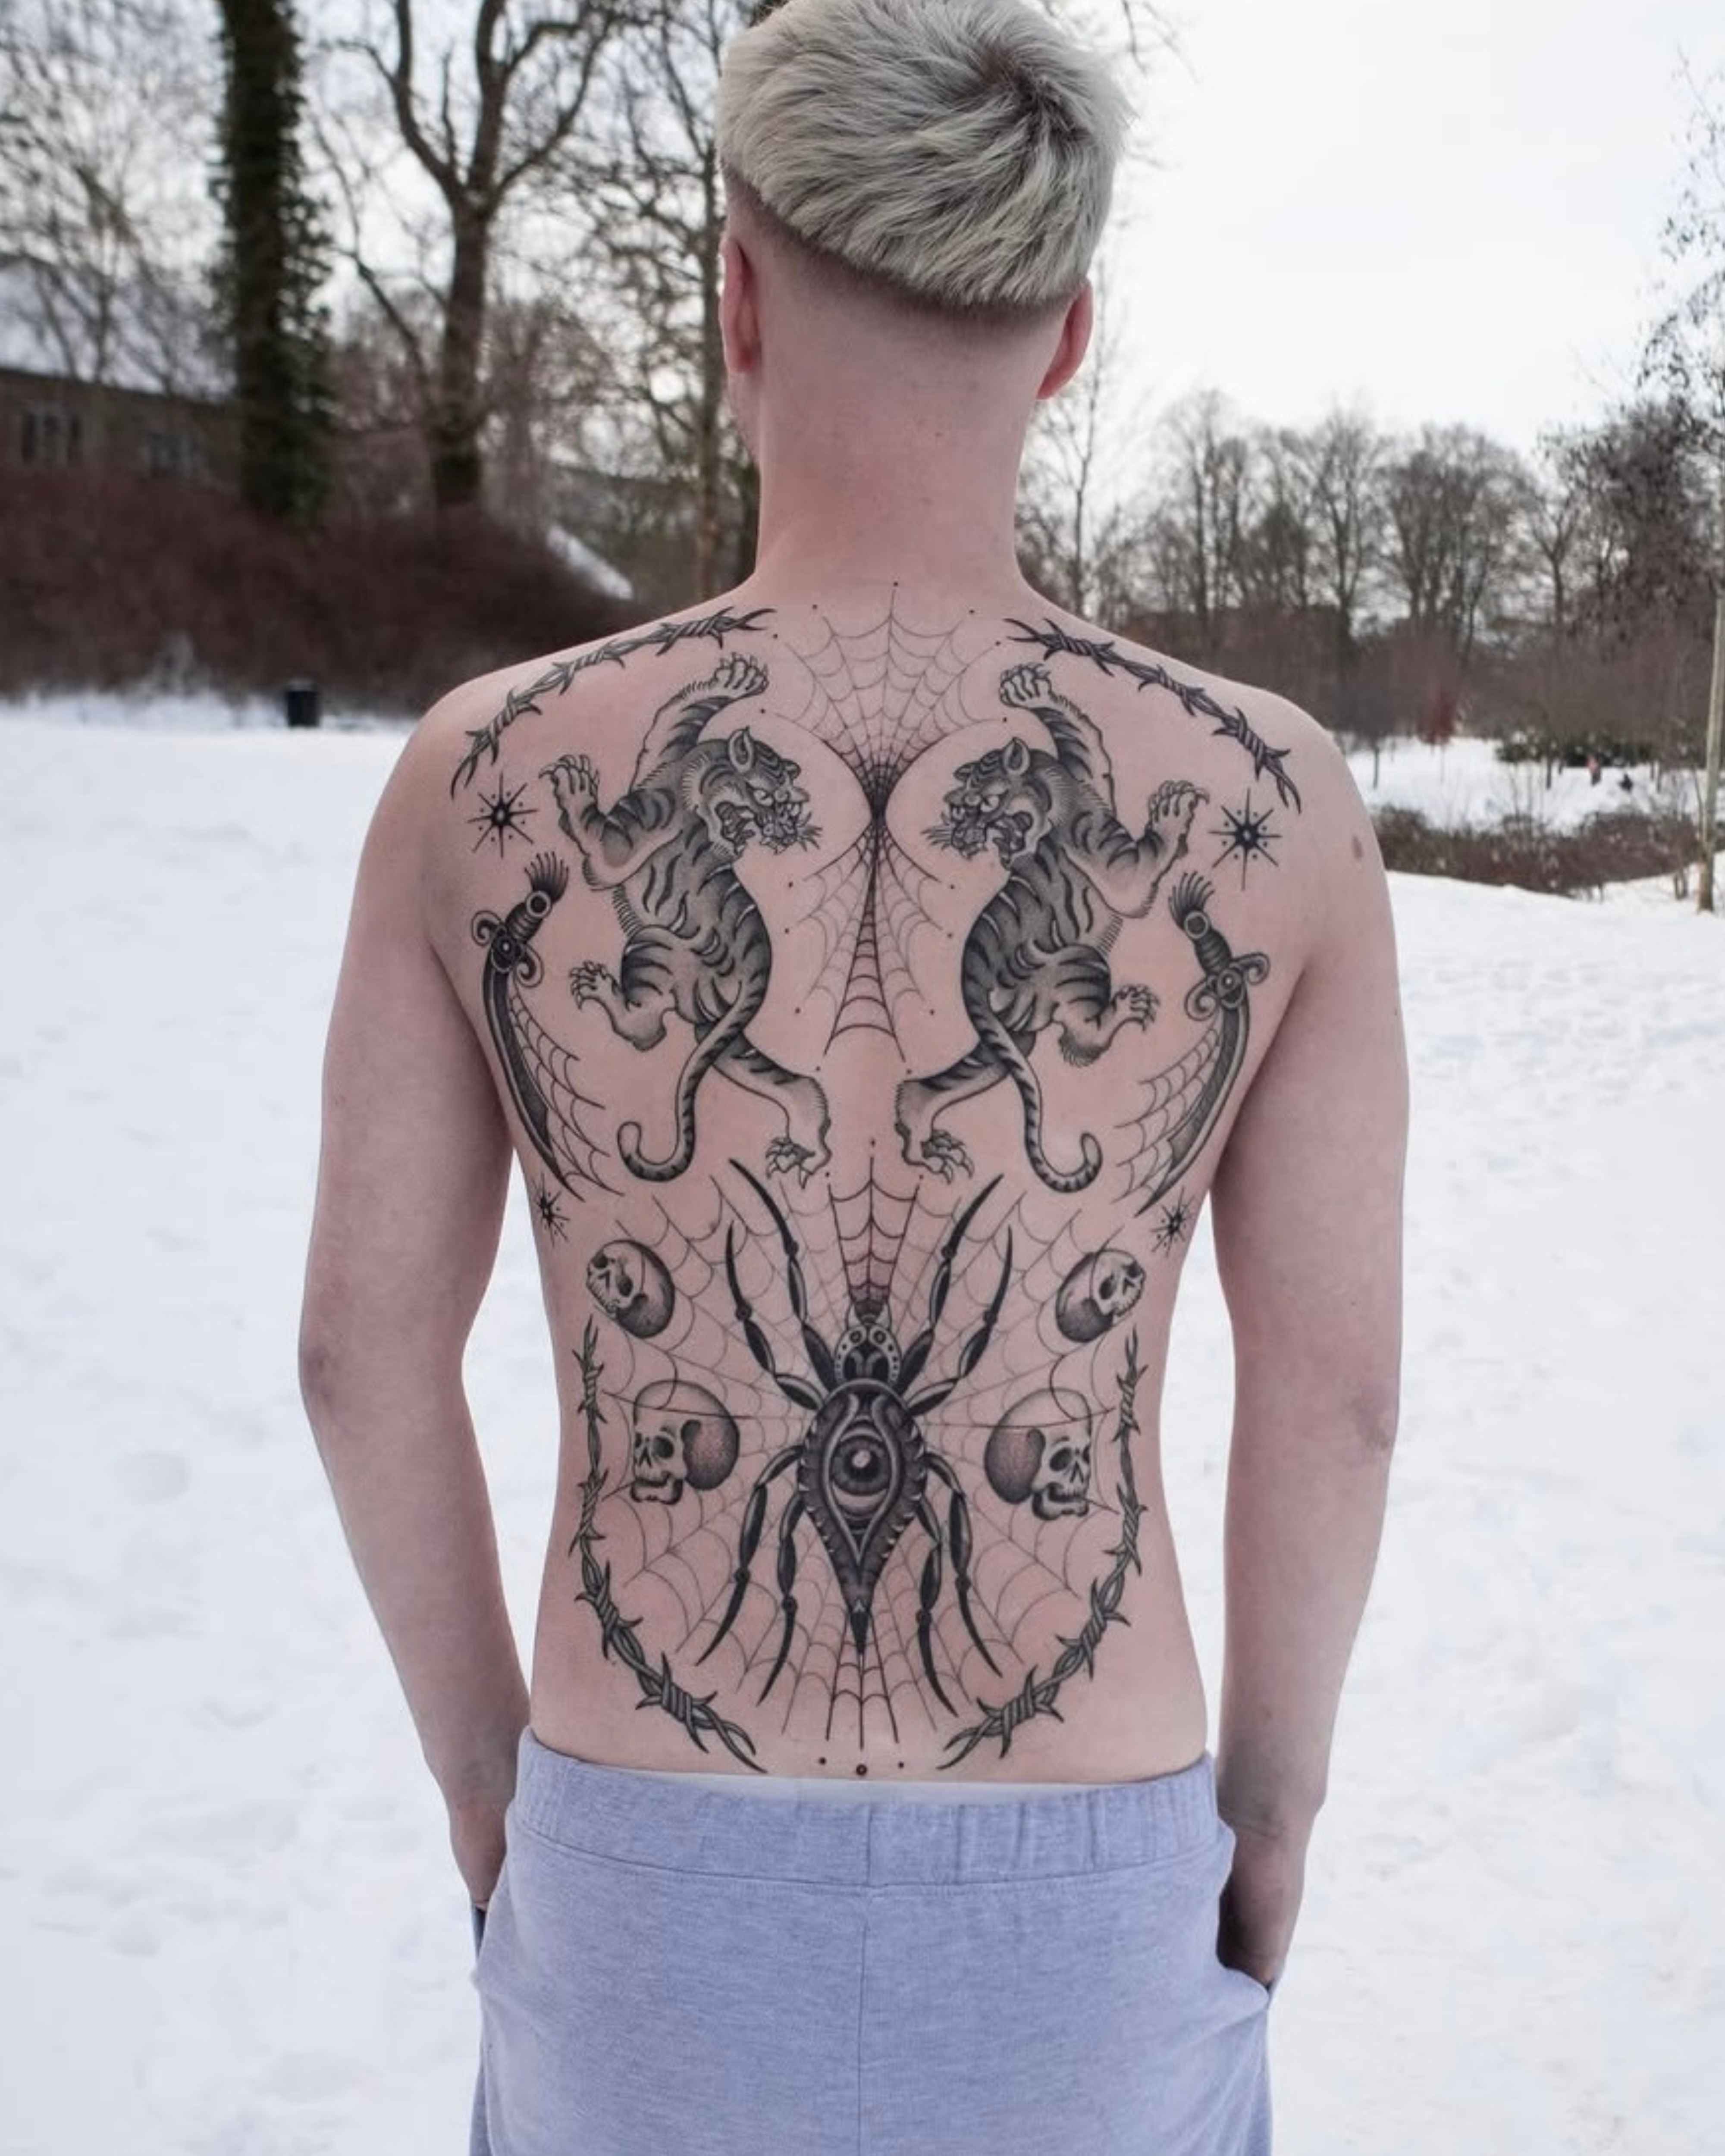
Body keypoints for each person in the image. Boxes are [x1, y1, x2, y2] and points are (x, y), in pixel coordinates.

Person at [299, 1, 1408, 2150]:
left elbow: (359, 1355)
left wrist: (494, 1794)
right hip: (1089, 1867)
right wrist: (1265, 1822)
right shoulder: (1278, 804)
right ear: (1068, 336)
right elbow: (1338, 1393)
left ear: (735, 292)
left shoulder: (483, 772)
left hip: (640, 1850)